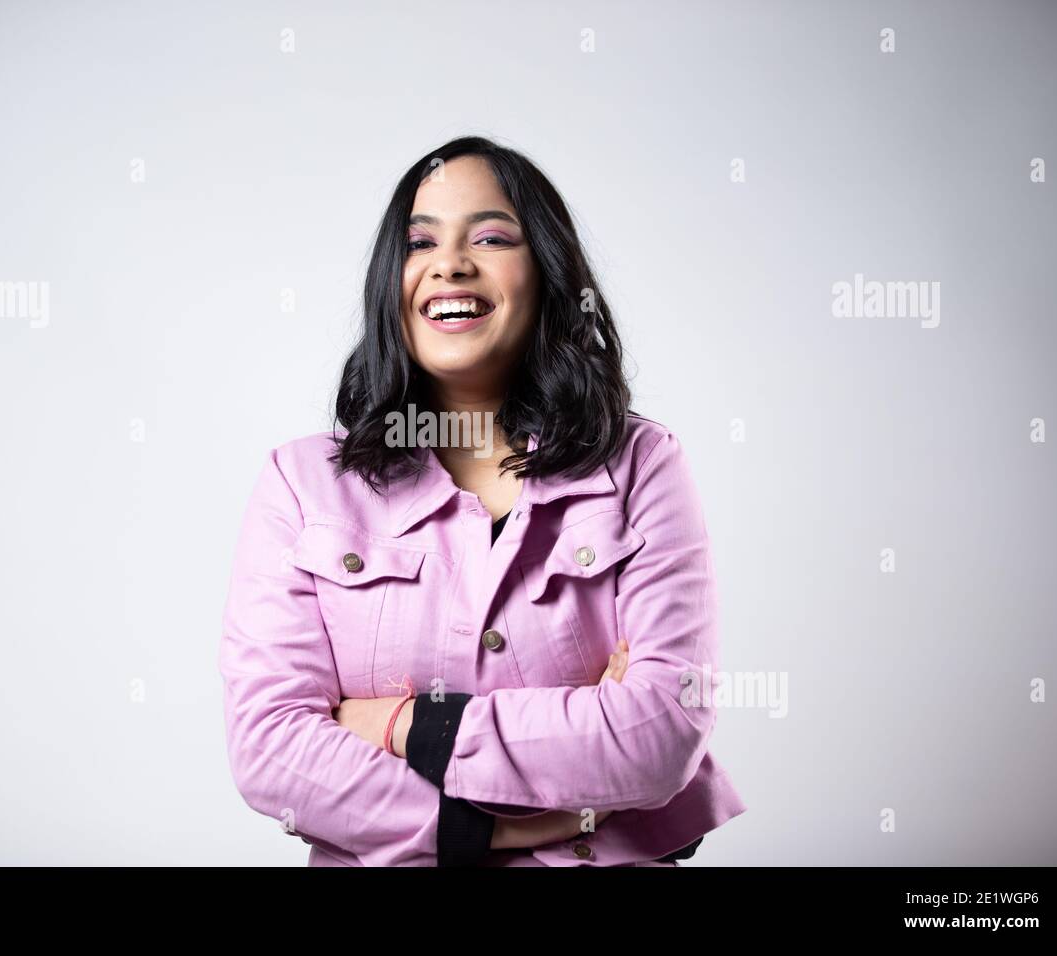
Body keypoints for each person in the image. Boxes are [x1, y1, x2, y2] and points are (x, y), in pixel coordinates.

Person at [217, 135, 746, 866]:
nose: (451, 262)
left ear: (549, 276)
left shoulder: (642, 466)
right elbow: (271, 750)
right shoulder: (301, 484)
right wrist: (482, 829)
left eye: (492, 237)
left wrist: (409, 726)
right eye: (420, 241)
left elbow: (659, 734)